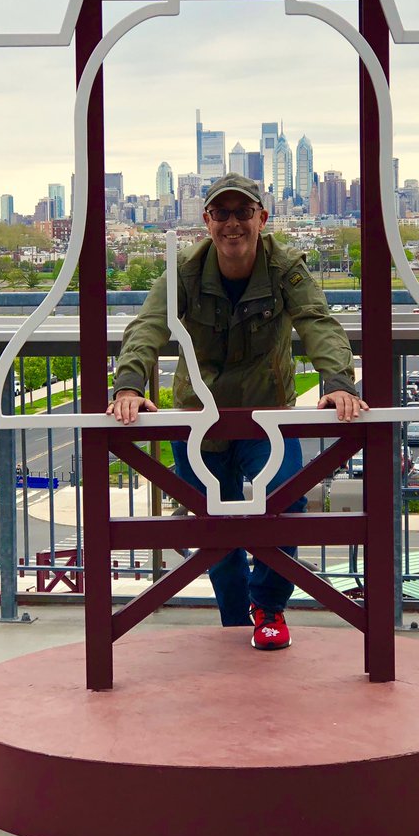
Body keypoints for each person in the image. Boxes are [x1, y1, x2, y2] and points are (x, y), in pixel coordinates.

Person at [109, 172, 368, 651]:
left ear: (261, 218)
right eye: (221, 213)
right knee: (214, 525)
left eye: (243, 212)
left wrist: (337, 384)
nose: (233, 224)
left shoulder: (284, 267)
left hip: (264, 416)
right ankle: (234, 621)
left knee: (286, 503)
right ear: (207, 221)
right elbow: (148, 326)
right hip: (198, 420)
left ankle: (268, 607)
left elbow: (318, 322)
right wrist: (128, 385)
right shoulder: (184, 271)